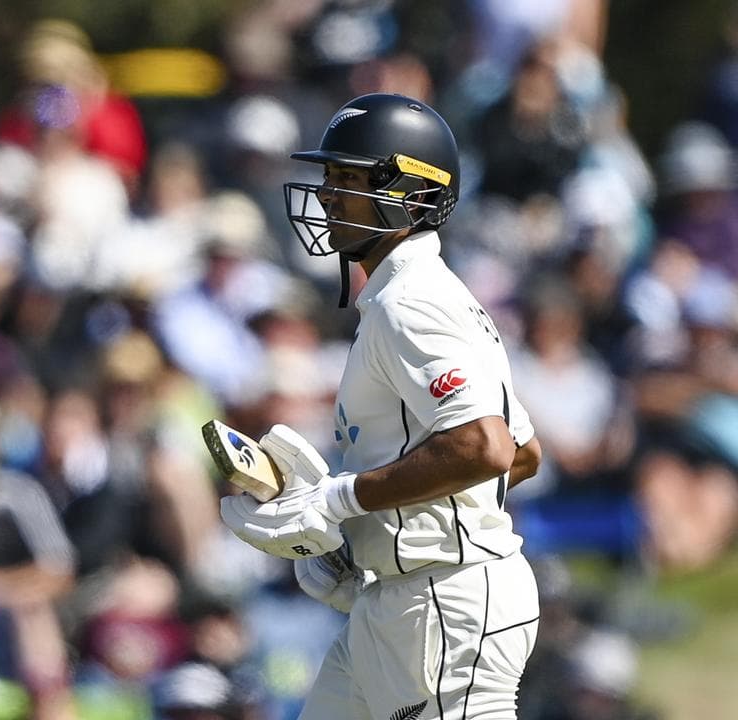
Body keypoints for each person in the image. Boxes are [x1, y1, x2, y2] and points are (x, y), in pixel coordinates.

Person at [220, 93, 545, 719]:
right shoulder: (412, 296)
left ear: (416, 196)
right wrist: (371, 542)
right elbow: (522, 454)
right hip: (401, 601)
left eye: (351, 178)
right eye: (329, 176)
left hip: (446, 605)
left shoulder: (411, 304)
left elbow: (488, 447)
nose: (327, 195)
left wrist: (338, 501)